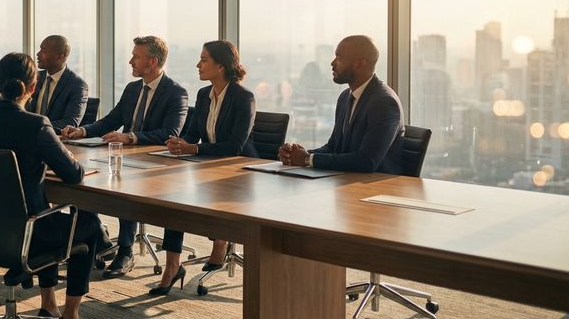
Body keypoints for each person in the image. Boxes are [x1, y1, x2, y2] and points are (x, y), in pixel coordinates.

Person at [0, 52, 109, 319]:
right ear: (32, 88)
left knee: (44, 214)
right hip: (27, 233)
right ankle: (71, 313)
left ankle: (49, 304)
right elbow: (74, 175)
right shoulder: (36, 125)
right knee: (88, 224)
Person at [62, 35, 188, 279]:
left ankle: (126, 251)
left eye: (136, 57)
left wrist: (130, 137)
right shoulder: (133, 89)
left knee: (124, 188)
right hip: (124, 157)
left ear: (152, 61)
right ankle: (95, 239)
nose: (131, 61)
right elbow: (112, 120)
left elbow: (170, 133)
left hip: (156, 164)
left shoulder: (176, 92)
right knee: (83, 182)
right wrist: (83, 131)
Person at [151, 40, 258, 296]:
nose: (198, 65)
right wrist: (180, 143)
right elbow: (194, 133)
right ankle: (172, 266)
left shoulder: (244, 98)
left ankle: (220, 240)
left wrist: (194, 149)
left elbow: (234, 145)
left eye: (203, 60)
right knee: (173, 201)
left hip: (240, 171)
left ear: (220, 66)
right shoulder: (202, 95)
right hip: (208, 167)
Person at [278, 34, 404, 174]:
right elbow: (334, 147)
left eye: (338, 58)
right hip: (345, 182)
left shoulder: (384, 103)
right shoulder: (345, 97)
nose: (332, 64)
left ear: (358, 64)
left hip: (375, 188)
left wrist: (308, 159)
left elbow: (366, 161)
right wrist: (297, 154)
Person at [0, 34, 88, 134]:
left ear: (60, 56)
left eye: (43, 51)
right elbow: (10, 105)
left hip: (57, 144)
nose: (38, 54)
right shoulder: (34, 77)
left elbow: (70, 123)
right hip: (26, 141)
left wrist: (29, 125)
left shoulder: (77, 86)